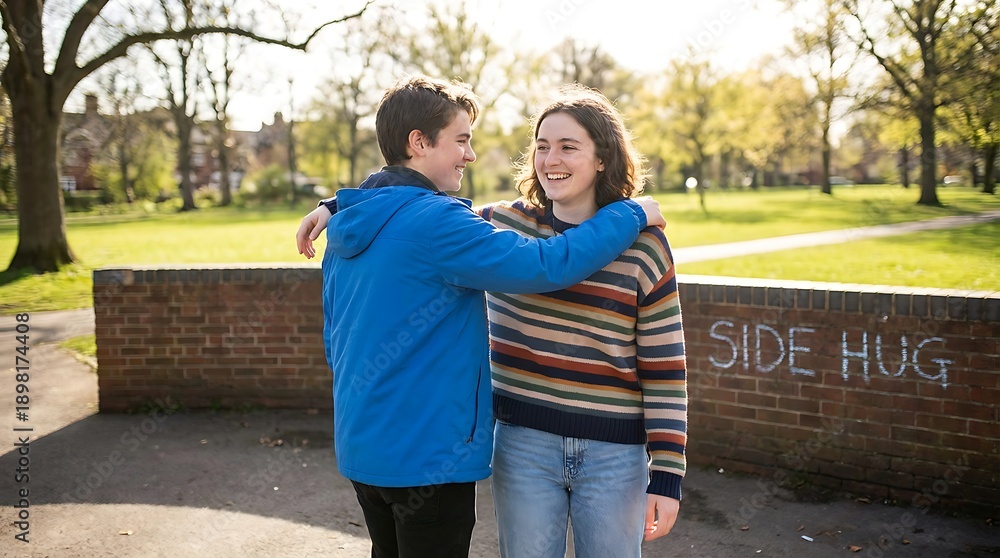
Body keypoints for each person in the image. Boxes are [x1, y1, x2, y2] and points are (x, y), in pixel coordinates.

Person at [294, 75, 665, 558]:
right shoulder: (440, 222)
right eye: (461, 140)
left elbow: (333, 341)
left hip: (364, 452)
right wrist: (632, 214)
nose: (470, 155)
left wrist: (335, 203)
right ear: (419, 142)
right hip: (428, 456)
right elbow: (546, 264)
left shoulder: (348, 224)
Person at [477, 85, 686, 557]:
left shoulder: (645, 246)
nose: (551, 159)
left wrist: (668, 473)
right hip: (522, 446)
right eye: (542, 146)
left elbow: (665, 367)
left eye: (568, 146)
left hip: (615, 455)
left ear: (602, 159)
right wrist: (342, 204)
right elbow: (420, 216)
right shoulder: (500, 228)